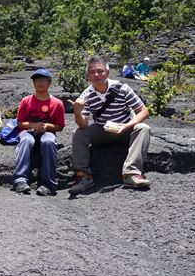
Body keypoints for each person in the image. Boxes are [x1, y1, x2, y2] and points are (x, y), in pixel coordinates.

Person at [70, 56, 151, 194]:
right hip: (103, 130)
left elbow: (143, 112)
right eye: (92, 72)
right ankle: (84, 176)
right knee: (78, 133)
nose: (96, 74)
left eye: (100, 71)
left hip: (125, 128)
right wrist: (77, 113)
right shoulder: (86, 95)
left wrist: (126, 126)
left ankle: (131, 174)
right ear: (88, 76)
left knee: (143, 128)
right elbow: (83, 125)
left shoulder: (122, 88)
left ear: (107, 73)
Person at [11, 69, 65, 196]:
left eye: (43, 80)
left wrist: (46, 126)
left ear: (49, 82)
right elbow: (20, 123)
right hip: (28, 131)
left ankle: (49, 184)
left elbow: (60, 126)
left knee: (48, 141)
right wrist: (32, 125)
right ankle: (20, 180)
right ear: (34, 83)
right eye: (37, 80)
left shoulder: (57, 103)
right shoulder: (26, 101)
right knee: (26, 140)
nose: (40, 83)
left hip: (47, 132)